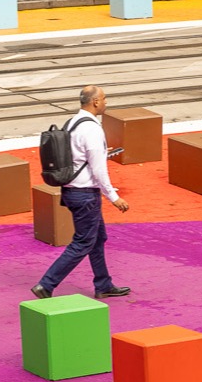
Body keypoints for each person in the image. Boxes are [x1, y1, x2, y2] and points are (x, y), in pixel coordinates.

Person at [31, 86, 132, 300]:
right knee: (83, 242)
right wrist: (113, 197)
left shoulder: (73, 122)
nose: (106, 102)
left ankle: (103, 284)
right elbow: (98, 169)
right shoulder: (93, 130)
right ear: (95, 102)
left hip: (71, 190)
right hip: (86, 194)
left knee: (97, 238)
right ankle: (46, 284)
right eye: (104, 99)